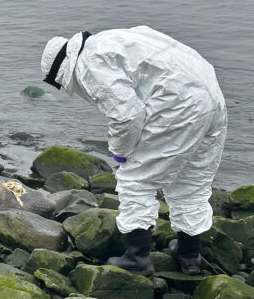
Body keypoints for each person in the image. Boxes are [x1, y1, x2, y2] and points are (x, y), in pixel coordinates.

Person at [40, 25, 227, 276]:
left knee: (136, 180)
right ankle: (189, 254)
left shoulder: (89, 63)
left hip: (179, 106)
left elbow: (127, 116)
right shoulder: (116, 39)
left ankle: (137, 257)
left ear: (63, 69)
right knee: (192, 179)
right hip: (212, 98)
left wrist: (121, 152)